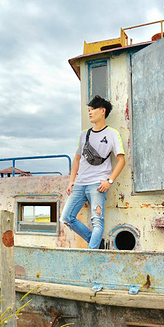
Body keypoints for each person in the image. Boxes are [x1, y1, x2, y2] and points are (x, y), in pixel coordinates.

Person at [60, 95, 125, 249]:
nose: (90, 113)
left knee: (97, 221)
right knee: (67, 217)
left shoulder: (112, 133)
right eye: (88, 110)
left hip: (97, 184)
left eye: (93, 109)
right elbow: (76, 159)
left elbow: (121, 160)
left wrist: (109, 181)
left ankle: (92, 254)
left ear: (103, 111)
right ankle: (96, 244)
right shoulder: (84, 134)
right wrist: (71, 180)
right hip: (80, 184)